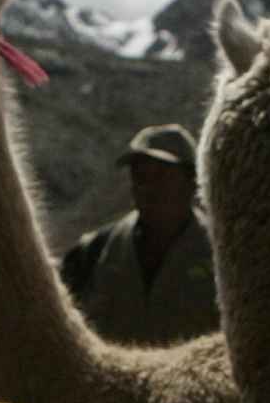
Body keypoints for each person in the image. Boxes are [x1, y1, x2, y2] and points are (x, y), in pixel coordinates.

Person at [58, 124, 219, 346]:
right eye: (140, 176)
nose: (149, 187)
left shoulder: (224, 258)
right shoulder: (92, 253)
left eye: (161, 175)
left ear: (192, 182)